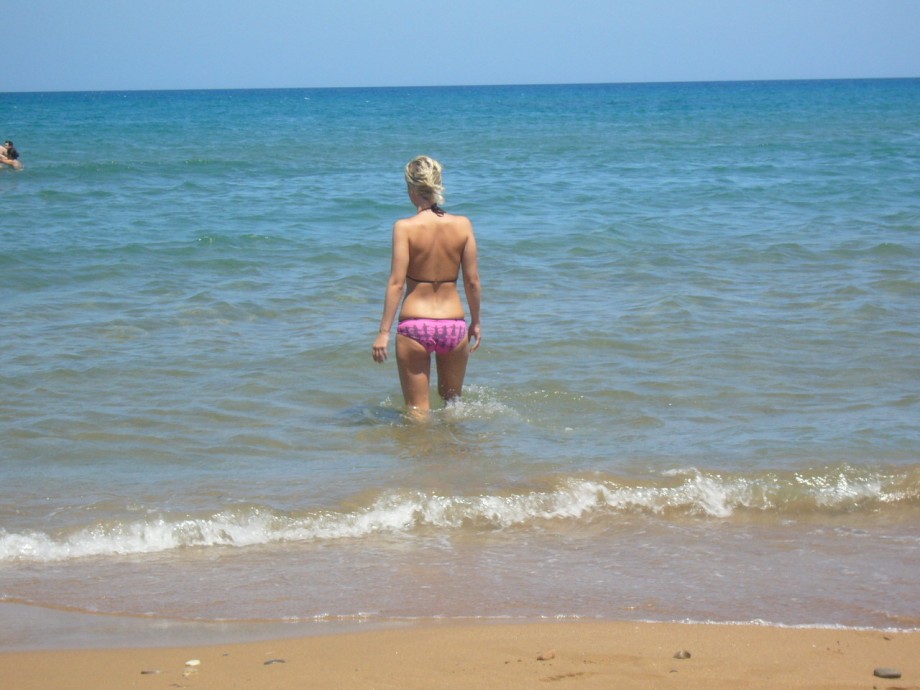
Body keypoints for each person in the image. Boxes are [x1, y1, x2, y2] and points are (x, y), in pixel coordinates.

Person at [372, 155, 482, 420]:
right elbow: (472, 281)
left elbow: (397, 282)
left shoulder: (405, 228)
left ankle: (420, 459)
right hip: (454, 326)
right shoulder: (462, 225)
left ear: (411, 189)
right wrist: (476, 322)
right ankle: (455, 458)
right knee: (454, 407)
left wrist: (383, 332)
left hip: (415, 327)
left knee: (417, 412)